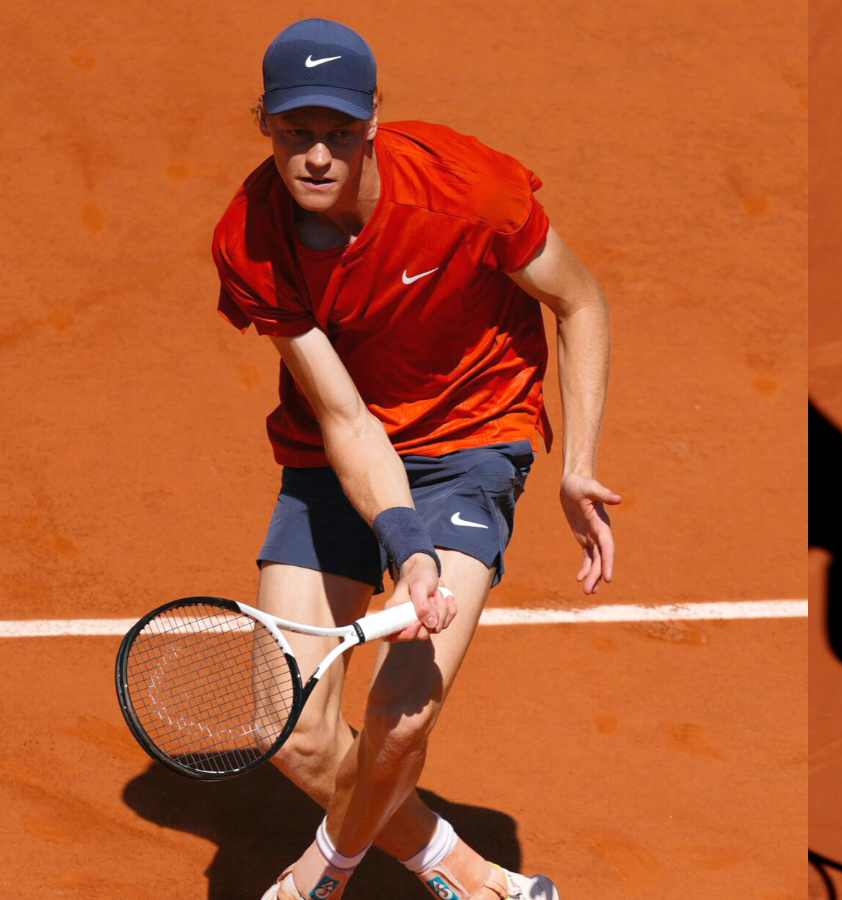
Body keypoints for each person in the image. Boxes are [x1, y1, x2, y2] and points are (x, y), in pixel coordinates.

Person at [212, 17, 619, 900]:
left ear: (371, 124)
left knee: (400, 716)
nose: (317, 157)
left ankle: (329, 869)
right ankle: (468, 876)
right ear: (267, 128)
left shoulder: (468, 191)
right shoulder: (251, 239)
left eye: (339, 135)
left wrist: (575, 462)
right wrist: (406, 540)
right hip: (337, 455)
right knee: (287, 726)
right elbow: (347, 420)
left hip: (473, 438)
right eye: (295, 135)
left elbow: (580, 302)